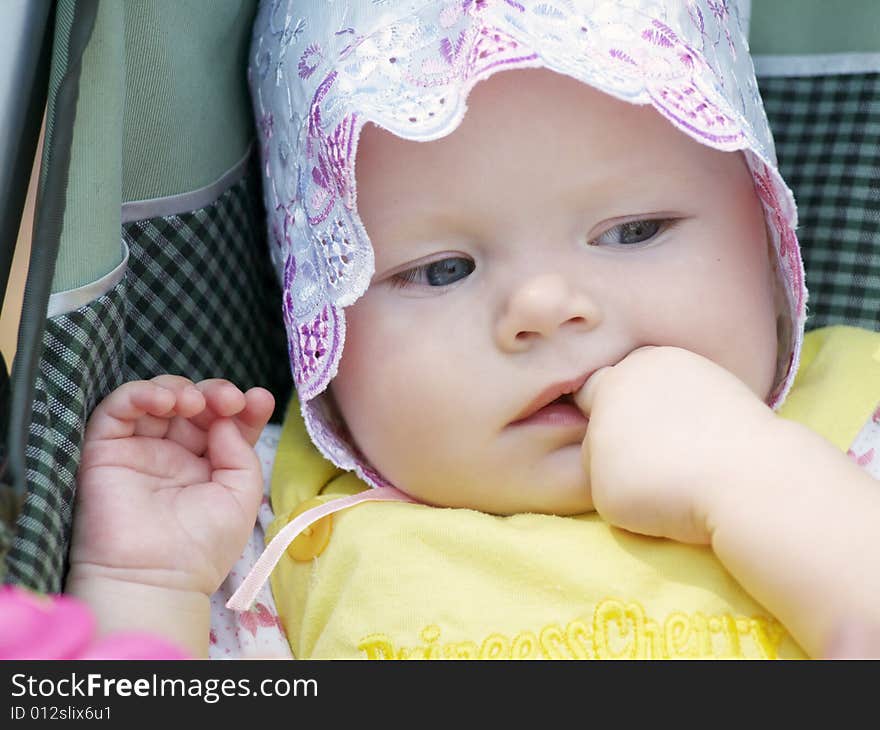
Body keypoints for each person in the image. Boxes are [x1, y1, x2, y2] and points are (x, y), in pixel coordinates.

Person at [65, 0, 880, 659]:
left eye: (635, 231)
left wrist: (755, 477)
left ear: (773, 245)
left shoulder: (857, 431)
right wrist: (147, 586)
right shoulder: (266, 531)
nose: (545, 307)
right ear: (319, 330)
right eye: (441, 271)